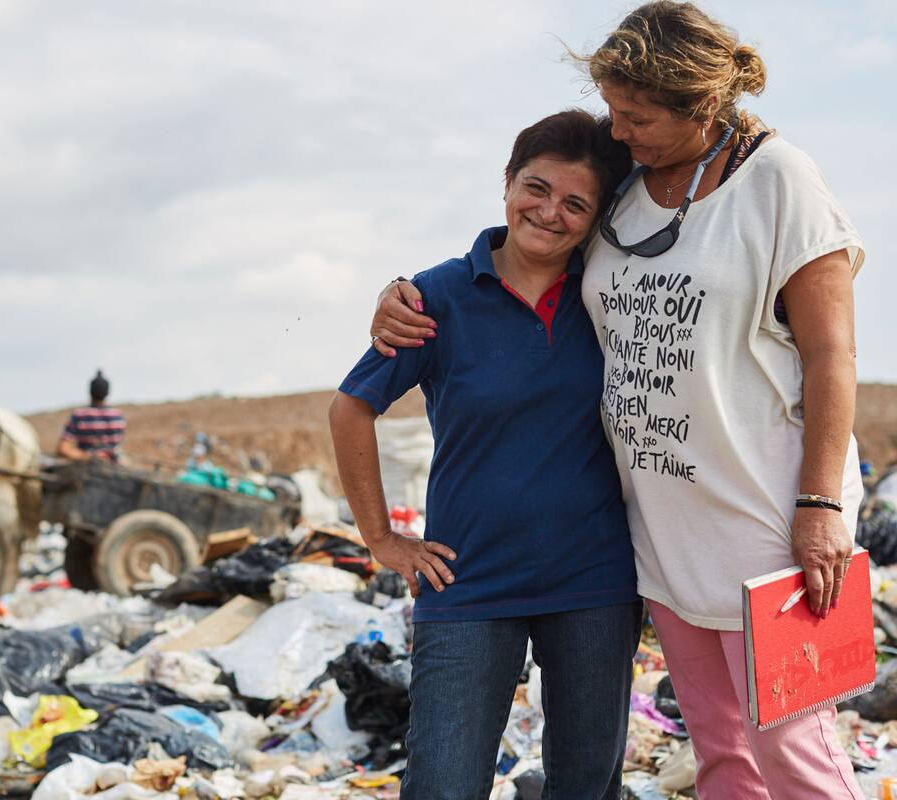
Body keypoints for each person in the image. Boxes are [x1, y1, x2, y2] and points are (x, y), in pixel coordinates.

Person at [370, 3, 865, 796]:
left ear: (700, 106)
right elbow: (535, 233)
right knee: (722, 753)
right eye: (611, 109)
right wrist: (411, 297)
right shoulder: (627, 191)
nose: (618, 130)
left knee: (795, 754)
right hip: (664, 538)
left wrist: (820, 505)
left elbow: (831, 353)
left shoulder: (781, 182)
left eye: (634, 116)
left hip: (772, 525)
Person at [330, 110, 640, 799]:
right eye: (536, 187)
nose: (550, 213)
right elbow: (351, 406)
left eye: (575, 203)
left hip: (595, 582)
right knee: (444, 786)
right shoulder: (437, 296)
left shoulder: (612, 292)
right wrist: (381, 538)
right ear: (506, 183)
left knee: (587, 788)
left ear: (595, 219)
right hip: (467, 583)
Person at [57, 370, 126, 463]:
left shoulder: (79, 416)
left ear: (90, 391)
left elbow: (62, 449)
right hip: (113, 468)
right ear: (107, 392)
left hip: (85, 468)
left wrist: (85, 456)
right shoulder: (118, 417)